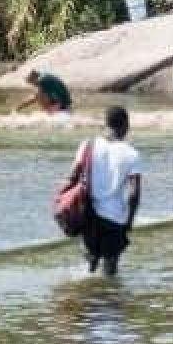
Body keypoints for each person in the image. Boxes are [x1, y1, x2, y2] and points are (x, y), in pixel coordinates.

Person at [64, 106, 142, 276]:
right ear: (126, 126)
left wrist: (63, 203)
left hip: (89, 213)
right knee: (110, 270)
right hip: (115, 218)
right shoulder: (132, 154)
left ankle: (88, 294)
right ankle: (106, 297)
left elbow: (72, 177)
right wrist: (130, 220)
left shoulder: (87, 145)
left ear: (105, 124)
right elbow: (134, 194)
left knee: (89, 264)